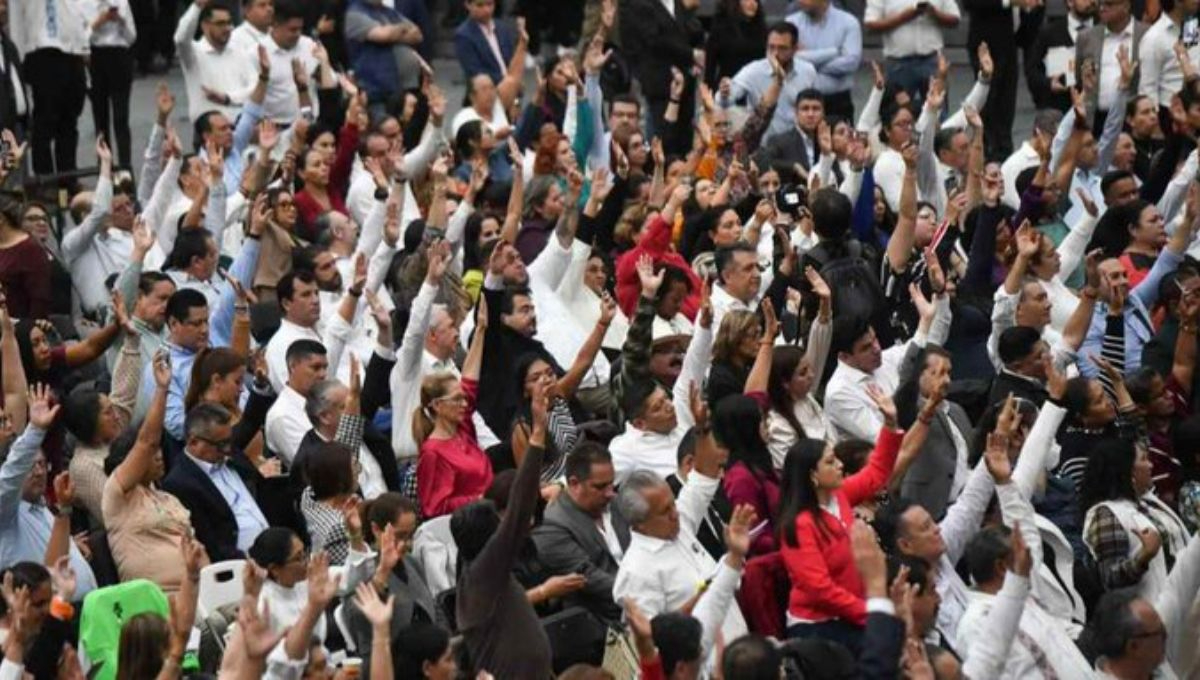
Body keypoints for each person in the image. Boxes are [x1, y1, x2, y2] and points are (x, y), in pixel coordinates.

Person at [613, 391, 749, 651]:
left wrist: (701, 429)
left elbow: (703, 474)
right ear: (640, 523)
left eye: (672, 504)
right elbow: (650, 641)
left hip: (737, 649)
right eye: (665, 511)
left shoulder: (680, 524)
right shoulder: (636, 572)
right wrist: (700, 599)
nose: (675, 513)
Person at [776, 388, 901, 654]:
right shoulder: (800, 525)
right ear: (812, 476)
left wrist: (890, 424)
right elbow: (820, 590)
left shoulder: (839, 495)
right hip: (819, 627)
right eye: (831, 462)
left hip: (854, 613)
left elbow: (877, 471)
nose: (841, 466)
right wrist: (872, 613)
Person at [452, 382, 552, 678]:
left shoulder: (478, 572)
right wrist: (536, 436)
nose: (503, 525)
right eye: (498, 523)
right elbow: (520, 508)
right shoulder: (484, 572)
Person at [103, 351, 195, 593]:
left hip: (195, 593)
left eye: (159, 452)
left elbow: (197, 551)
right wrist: (162, 390)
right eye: (152, 455)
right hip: (153, 603)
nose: (159, 456)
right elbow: (147, 442)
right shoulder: (117, 494)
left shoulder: (169, 499)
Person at [0, 385, 98, 597]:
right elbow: (11, 475)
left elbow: (51, 556)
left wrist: (72, 546)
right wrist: (35, 430)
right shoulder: (5, 514)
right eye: (31, 466)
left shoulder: (44, 508)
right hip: (45, 621)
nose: (38, 472)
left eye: (43, 464)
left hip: (83, 612)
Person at [1081, 438, 1191, 601]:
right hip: (1153, 610)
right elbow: (1109, 580)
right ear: (1126, 470)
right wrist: (1143, 556)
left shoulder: (1150, 502)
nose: (1151, 465)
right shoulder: (1106, 514)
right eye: (1144, 459)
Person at [414, 297, 491, 518]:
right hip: (468, 530)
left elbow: (469, 381)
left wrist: (481, 331)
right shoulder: (432, 453)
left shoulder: (463, 429)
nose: (464, 404)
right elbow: (434, 508)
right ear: (438, 405)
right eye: (457, 399)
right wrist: (482, 499)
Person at [162, 403, 268, 561]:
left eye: (229, 441)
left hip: (273, 544)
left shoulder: (231, 454)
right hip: (240, 565)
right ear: (193, 442)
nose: (227, 449)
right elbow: (210, 544)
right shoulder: (180, 483)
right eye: (221, 445)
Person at [8, 0, 88, 180]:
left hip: (72, 50)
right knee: (45, 123)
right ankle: (44, 182)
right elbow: (16, 15)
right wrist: (17, 57)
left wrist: (84, 47)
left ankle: (67, 180)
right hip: (42, 49)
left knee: (69, 122)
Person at [721, 22, 820, 143]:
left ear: (795, 49)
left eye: (782, 48)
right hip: (763, 147)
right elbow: (725, 101)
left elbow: (816, 107)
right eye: (771, 47)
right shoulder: (753, 71)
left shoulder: (807, 71)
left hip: (797, 148)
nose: (775, 54)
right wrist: (724, 94)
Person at [864, 0, 961, 106]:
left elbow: (955, 19)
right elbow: (870, 25)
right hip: (898, 64)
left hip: (932, 60)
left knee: (938, 111)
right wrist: (904, 17)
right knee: (896, 112)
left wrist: (934, 13)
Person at [174, 0, 257, 123]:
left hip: (241, 129)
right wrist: (197, 7)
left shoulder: (239, 51)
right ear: (205, 25)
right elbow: (181, 39)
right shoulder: (193, 53)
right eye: (220, 23)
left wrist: (228, 98)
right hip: (208, 134)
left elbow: (255, 87)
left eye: (229, 23)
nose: (227, 28)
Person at [1073, 0, 1146, 131]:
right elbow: (1079, 78)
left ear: (1126, 6)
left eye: (1109, 4)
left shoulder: (1146, 35)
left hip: (1133, 118)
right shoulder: (1086, 37)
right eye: (1100, 4)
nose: (1102, 8)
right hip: (1097, 118)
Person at [785, 0, 863, 120]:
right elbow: (788, 58)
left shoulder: (848, 23)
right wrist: (834, 52)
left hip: (837, 103)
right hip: (801, 102)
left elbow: (850, 63)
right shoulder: (791, 24)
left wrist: (806, 62)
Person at [248, 527, 328, 642]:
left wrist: (355, 538)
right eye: (299, 558)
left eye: (305, 553)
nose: (307, 562)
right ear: (275, 569)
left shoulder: (306, 581)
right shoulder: (263, 606)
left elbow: (349, 580)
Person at [85, 0, 136, 168]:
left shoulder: (122, 2)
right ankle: (104, 166)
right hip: (97, 56)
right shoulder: (84, 3)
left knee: (121, 117)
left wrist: (121, 21)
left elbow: (131, 37)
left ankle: (125, 167)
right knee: (100, 118)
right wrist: (100, 21)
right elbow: (82, 37)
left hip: (120, 56)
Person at [454, 0, 518, 86]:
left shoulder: (502, 28)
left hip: (511, 88)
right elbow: (475, 71)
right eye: (480, 5)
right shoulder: (464, 35)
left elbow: (511, 60)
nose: (486, 10)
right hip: (486, 92)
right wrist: (509, 82)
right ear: (468, 5)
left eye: (490, 4)